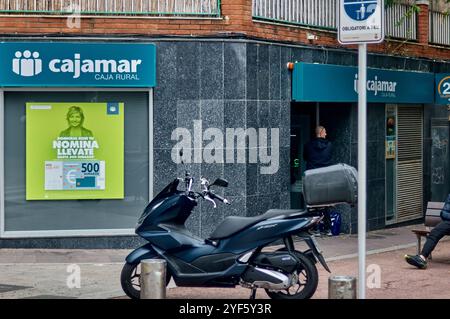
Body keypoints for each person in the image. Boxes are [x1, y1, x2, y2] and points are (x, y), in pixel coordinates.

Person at [303, 125, 334, 235]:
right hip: (325, 176)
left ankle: (314, 228)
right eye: (325, 132)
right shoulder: (329, 145)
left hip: (312, 177)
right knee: (325, 203)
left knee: (313, 204)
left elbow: (305, 157)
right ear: (320, 133)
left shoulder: (308, 145)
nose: (326, 134)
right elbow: (329, 157)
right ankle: (327, 229)